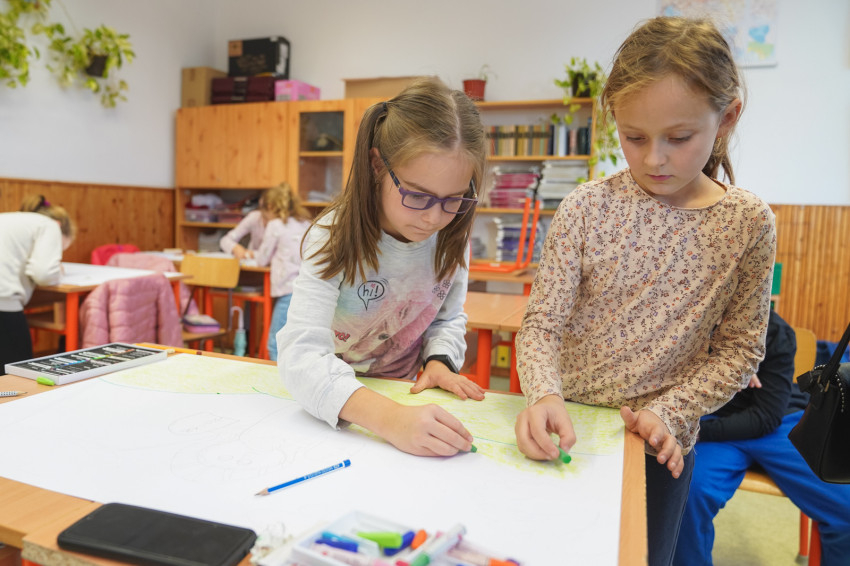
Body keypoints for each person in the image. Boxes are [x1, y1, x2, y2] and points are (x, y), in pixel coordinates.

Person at [513, 16, 776, 566]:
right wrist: (543, 394)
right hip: (567, 428)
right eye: (634, 137)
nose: (655, 158)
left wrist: (672, 411)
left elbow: (740, 350)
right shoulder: (586, 207)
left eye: (678, 138)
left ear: (726, 118)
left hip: (660, 446)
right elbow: (542, 324)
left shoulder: (747, 222)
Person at [277, 77, 486, 457]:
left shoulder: (451, 237)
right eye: (418, 196)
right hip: (329, 402)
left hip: (401, 398)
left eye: (454, 198)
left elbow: (446, 318)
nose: (434, 218)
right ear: (377, 164)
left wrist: (439, 360)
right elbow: (301, 356)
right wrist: (389, 418)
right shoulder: (332, 236)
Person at [674, 310, 850, 566]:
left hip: (777, 426)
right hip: (718, 422)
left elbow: (766, 418)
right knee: (687, 495)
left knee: (845, 507)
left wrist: (700, 433)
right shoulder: (694, 321)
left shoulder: (776, 331)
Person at [0, 195, 76, 368]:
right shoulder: (50, 226)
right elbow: (43, 274)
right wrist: (57, 270)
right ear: (60, 226)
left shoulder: (9, 219)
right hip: (3, 303)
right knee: (16, 372)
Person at [251, 182, 312, 361]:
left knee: (275, 343)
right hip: (308, 291)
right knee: (299, 343)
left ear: (270, 207)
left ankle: (277, 378)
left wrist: (252, 254)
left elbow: (262, 260)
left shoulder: (275, 225)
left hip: (287, 291)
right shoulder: (306, 223)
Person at [220, 191, 276, 260]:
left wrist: (252, 254)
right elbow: (225, 240)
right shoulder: (255, 217)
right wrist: (235, 248)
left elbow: (273, 255)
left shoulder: (282, 224)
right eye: (265, 218)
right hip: (252, 264)